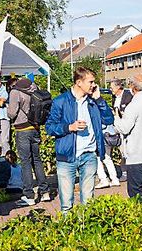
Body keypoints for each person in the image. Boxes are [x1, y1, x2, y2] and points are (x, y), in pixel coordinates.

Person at [45, 67, 113, 214]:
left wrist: (99, 99)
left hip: (89, 155)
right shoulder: (61, 101)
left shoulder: (93, 101)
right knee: (66, 204)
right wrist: (69, 127)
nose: (94, 85)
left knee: (88, 202)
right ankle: (68, 233)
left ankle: (85, 231)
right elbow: (49, 127)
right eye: (91, 82)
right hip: (67, 156)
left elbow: (109, 119)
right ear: (79, 82)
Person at [7, 76, 51, 206]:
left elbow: (11, 113)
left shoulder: (15, 92)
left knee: (25, 162)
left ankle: (29, 195)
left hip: (22, 130)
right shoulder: (35, 88)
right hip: (35, 128)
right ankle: (45, 192)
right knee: (37, 160)